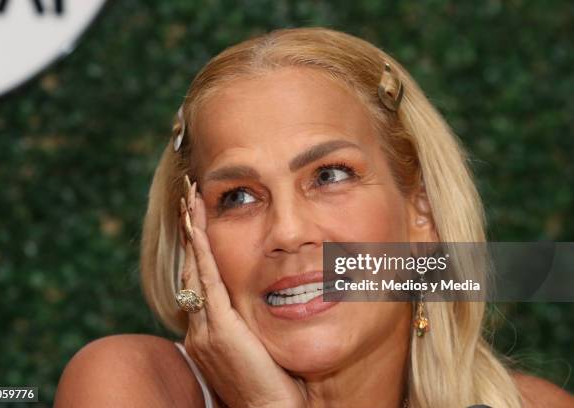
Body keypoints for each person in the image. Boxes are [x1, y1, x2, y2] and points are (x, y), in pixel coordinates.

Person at [54, 27, 574, 408]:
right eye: (238, 196)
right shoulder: (134, 387)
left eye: (329, 176)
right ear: (194, 237)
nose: (287, 231)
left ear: (422, 210)